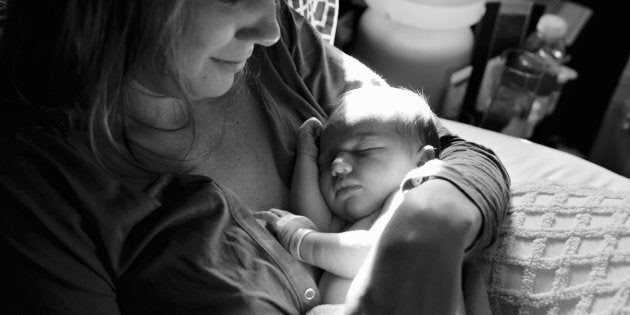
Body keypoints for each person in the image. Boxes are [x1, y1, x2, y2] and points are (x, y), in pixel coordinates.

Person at [0, 0, 510, 314]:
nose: (268, 26)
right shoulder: (36, 185)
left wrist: (426, 224)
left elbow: (453, 152)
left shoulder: (280, 47)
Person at [258, 86, 448, 305]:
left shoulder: (411, 195)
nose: (337, 166)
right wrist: (308, 155)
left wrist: (299, 240)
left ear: (422, 162)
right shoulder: (357, 223)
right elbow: (315, 223)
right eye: (327, 161)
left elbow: (371, 254)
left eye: (362, 151)